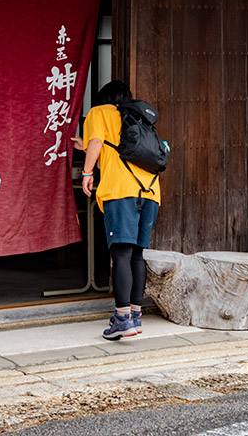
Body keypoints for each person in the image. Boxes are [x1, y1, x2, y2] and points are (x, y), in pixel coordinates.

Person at [75, 80, 161, 340]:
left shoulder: (99, 112)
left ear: (104, 98)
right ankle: (134, 316)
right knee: (137, 254)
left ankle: (121, 319)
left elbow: (98, 142)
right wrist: (86, 146)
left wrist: (87, 172)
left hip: (120, 191)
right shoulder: (137, 117)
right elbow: (111, 146)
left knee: (121, 253)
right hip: (151, 191)